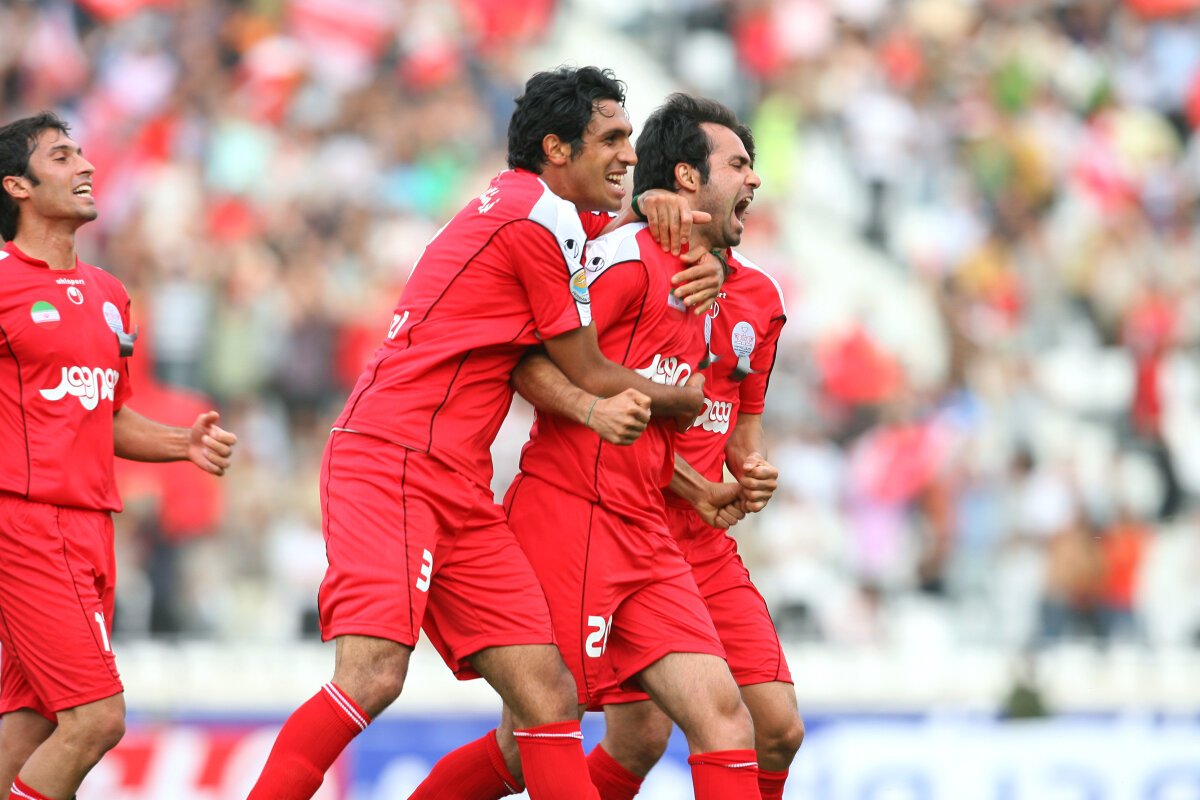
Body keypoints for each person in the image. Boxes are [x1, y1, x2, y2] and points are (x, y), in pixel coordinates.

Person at [247, 67, 722, 800]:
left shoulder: (534, 208)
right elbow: (587, 368)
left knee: (547, 693)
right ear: (556, 148)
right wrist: (678, 399)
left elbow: (591, 267)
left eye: (630, 139)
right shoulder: (539, 219)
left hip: (458, 481)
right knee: (373, 674)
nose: (629, 154)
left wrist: (650, 207)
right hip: (391, 458)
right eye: (611, 139)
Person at [411, 93, 768, 800]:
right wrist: (597, 406)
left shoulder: (709, 287)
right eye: (738, 164)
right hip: (572, 517)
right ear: (688, 178)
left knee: (725, 719)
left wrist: (701, 488)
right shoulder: (622, 260)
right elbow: (526, 360)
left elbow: (647, 429)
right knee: (532, 740)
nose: (754, 178)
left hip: (644, 530)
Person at [0, 112, 237, 800]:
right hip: (29, 527)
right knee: (97, 719)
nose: (86, 166)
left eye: (82, 153)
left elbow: (105, 415)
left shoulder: (109, 295)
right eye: (61, 156)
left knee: (36, 722)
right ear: (16, 185)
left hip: (92, 529)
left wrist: (181, 444)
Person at [586, 241, 803, 800]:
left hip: (704, 540)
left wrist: (751, 469)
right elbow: (591, 390)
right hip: (623, 525)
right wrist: (696, 486)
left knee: (778, 729)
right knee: (631, 736)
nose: (750, 192)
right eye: (735, 170)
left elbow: (743, 424)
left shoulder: (762, 295)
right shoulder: (631, 262)